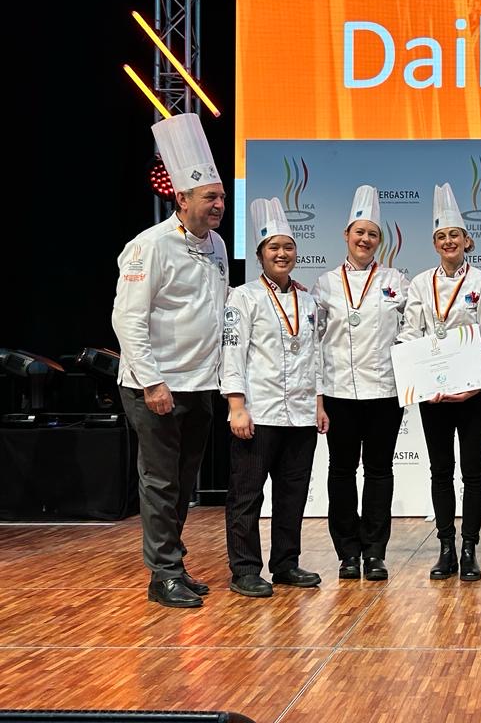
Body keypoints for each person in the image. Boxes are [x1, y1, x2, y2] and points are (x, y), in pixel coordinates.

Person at [112, 113, 229, 608]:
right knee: (160, 479)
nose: (220, 205)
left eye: (221, 197)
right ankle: (163, 574)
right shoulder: (150, 246)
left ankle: (173, 562)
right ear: (181, 199)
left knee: (183, 480)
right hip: (156, 384)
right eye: (211, 198)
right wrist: (153, 382)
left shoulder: (218, 244)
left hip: (200, 383)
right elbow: (128, 319)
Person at [219, 198, 327, 597]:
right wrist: (236, 407)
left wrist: (317, 403)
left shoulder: (308, 300)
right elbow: (232, 353)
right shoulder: (242, 298)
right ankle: (245, 569)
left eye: (288, 247)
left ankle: (286, 564)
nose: (281, 254)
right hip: (258, 412)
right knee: (247, 495)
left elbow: (316, 356)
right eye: (273, 248)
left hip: (299, 415)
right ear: (261, 254)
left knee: (292, 494)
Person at [398, 183, 481, 581]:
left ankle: (469, 547)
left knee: (473, 471)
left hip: (474, 393)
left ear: (466, 240)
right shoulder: (420, 283)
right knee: (440, 471)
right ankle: (445, 546)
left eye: (454, 235)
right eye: (441, 236)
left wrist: (477, 382)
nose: (448, 241)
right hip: (434, 394)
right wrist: (417, 379)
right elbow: (410, 334)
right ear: (434, 242)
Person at [313, 186, 409, 581]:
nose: (365, 240)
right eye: (359, 233)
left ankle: (375, 552)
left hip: (385, 392)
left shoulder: (395, 281)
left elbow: (412, 332)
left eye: (372, 234)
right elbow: (314, 344)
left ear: (379, 241)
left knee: (380, 472)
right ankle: (347, 553)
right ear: (346, 236)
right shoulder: (324, 284)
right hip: (338, 392)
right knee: (340, 471)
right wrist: (318, 398)